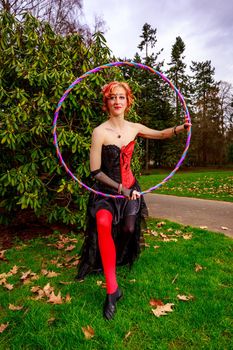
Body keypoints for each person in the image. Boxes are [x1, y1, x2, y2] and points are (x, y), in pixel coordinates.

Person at [76, 81, 191, 320]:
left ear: (128, 101)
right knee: (104, 225)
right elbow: (95, 171)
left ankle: (113, 258)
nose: (117, 101)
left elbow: (160, 134)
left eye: (121, 97)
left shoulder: (134, 127)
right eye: (112, 97)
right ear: (106, 103)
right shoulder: (99, 132)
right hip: (106, 193)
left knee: (128, 229)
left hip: (130, 190)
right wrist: (120, 189)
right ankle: (112, 291)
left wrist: (181, 127)